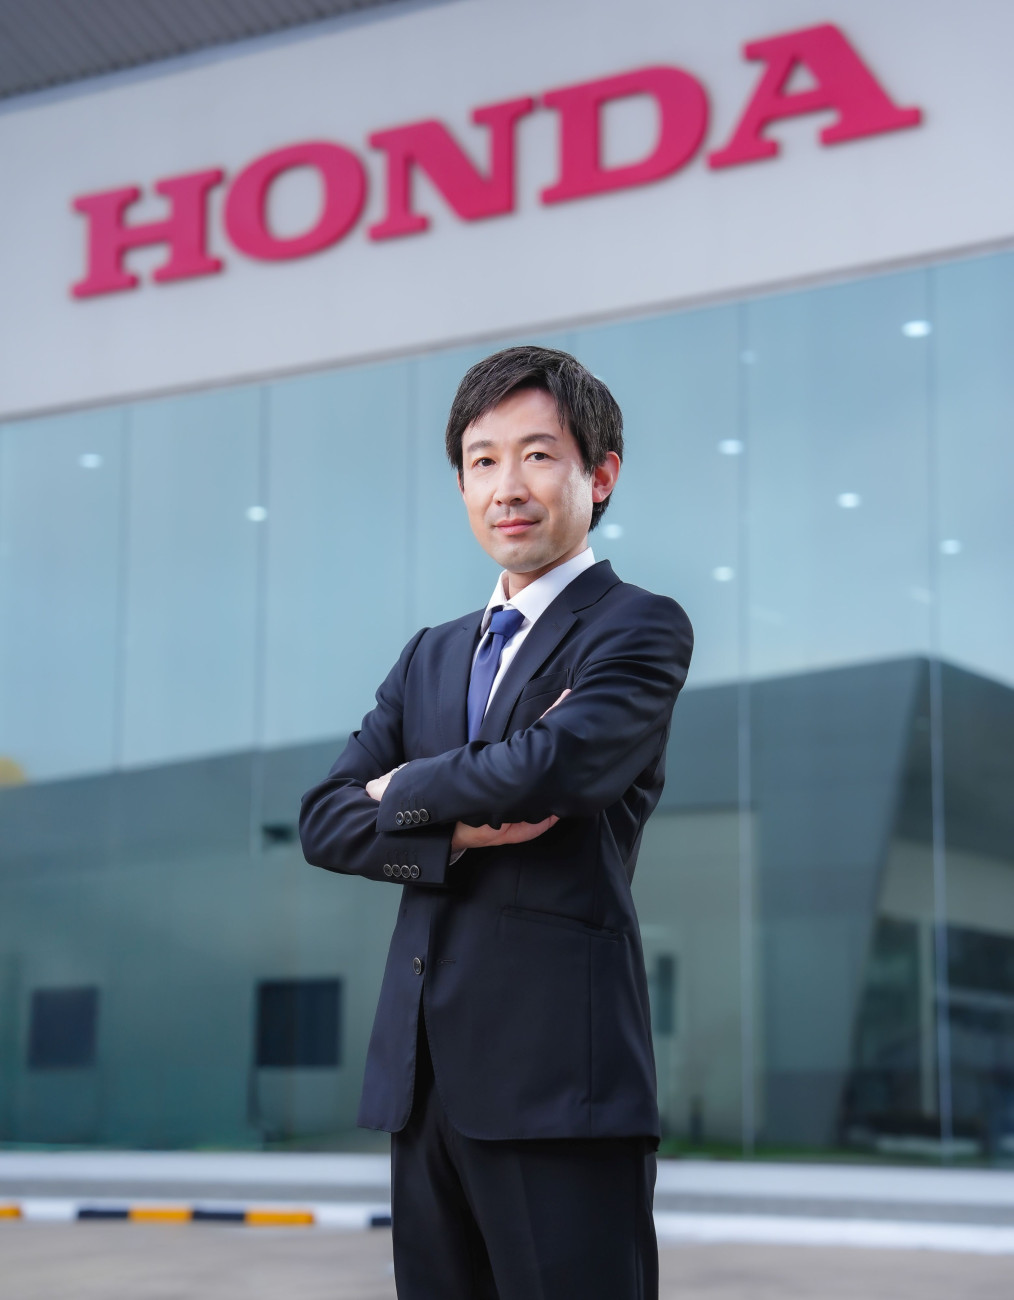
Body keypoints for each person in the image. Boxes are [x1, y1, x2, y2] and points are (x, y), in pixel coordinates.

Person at [299, 345, 693, 1300]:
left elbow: (556, 767)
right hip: (422, 1083)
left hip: (559, 1082)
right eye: (482, 461)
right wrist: (457, 829)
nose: (506, 487)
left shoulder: (636, 627)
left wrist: (400, 788)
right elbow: (323, 820)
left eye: (538, 455)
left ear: (600, 475)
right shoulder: (429, 657)